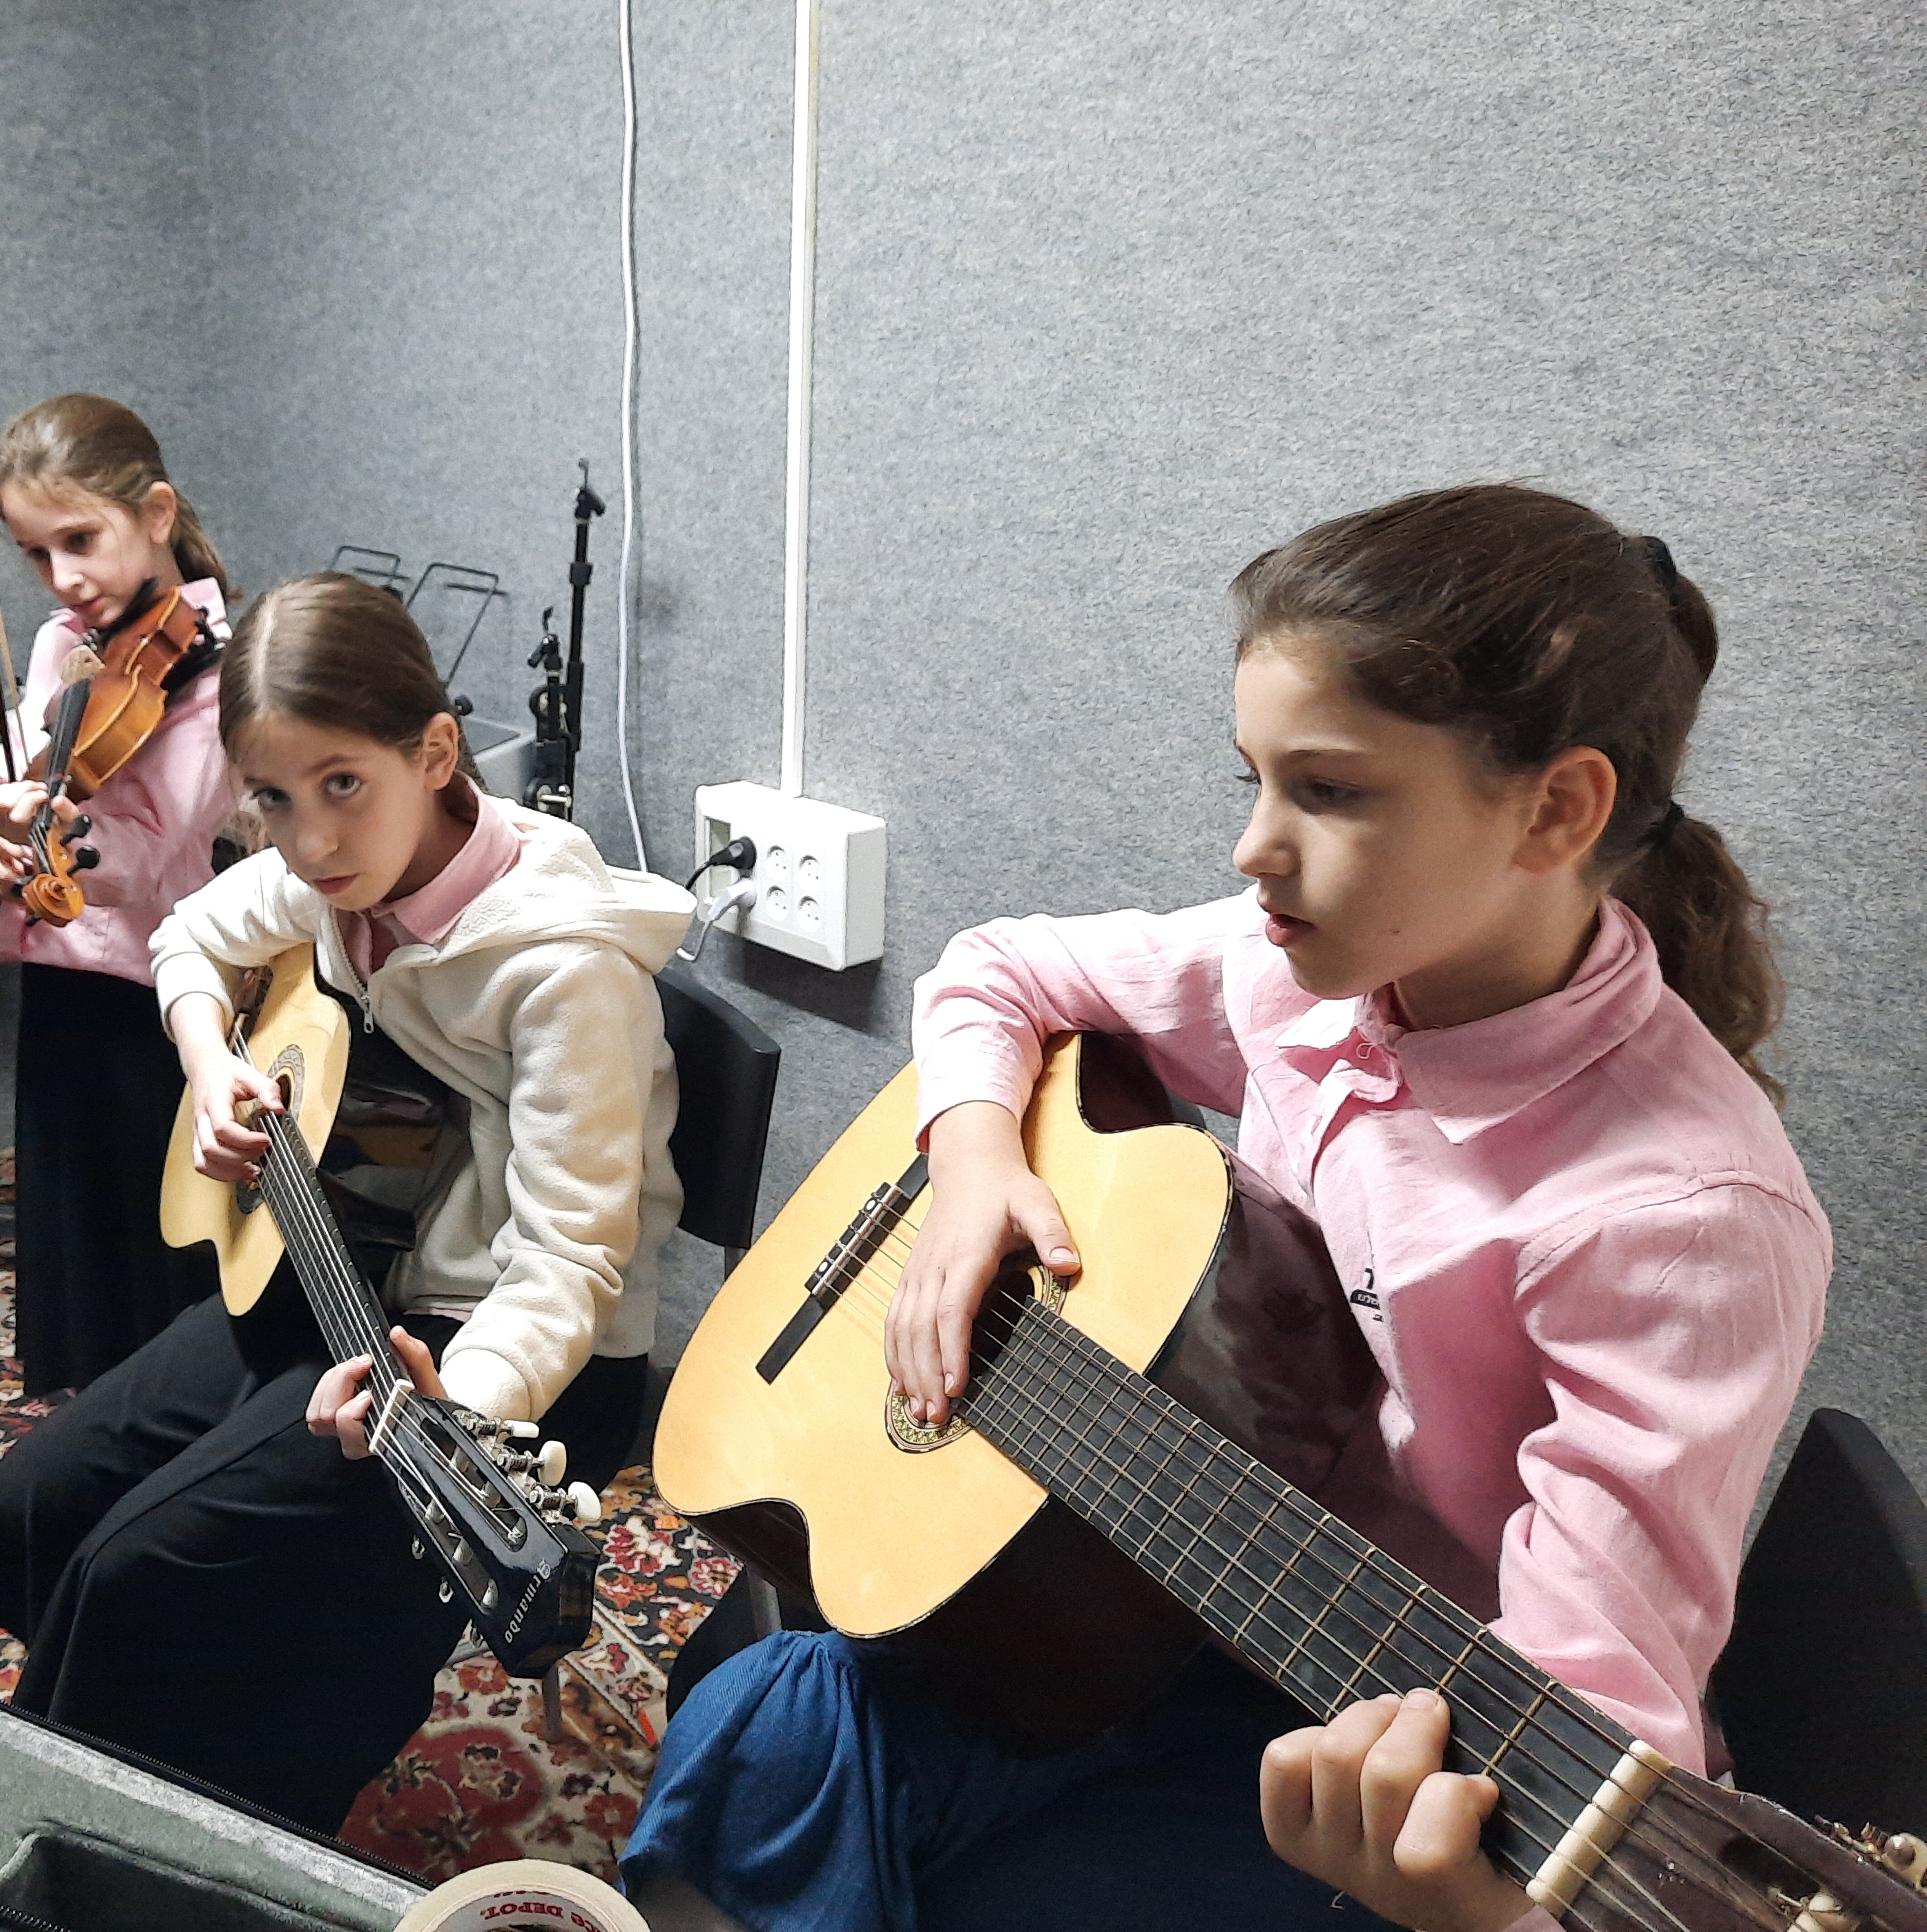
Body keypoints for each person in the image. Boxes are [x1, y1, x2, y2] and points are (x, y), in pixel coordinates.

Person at [623, 485, 1830, 1932]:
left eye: (1329, 791)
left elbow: (1592, 1722)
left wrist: (1463, 1897)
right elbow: (995, 970)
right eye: (1251, 778)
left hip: (1365, 1717)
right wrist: (973, 1168)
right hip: (1152, 1591)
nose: (1254, 848)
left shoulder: (1681, 1222)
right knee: (765, 1729)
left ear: (1556, 809)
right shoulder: (1300, 973)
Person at [0, 571, 695, 1831]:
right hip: (345, 1260)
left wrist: (457, 1404)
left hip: (502, 1350)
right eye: (274, 800)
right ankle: (98, 1767)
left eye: (345, 784)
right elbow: (187, 937)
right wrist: (210, 1063)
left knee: (144, 1569)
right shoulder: (338, 883)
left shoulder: (566, 973)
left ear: (435, 753)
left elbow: (571, 1259)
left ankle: (168, 1832)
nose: (312, 844)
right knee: (43, 1488)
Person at [0, 393, 236, 1398]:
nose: (64, 578)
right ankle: (89, 1408)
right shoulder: (59, 644)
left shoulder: (215, 675)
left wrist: (54, 836)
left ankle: (164, 1410)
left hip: (154, 994)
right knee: (73, 1217)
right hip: (59, 976)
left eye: (81, 541)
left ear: (156, 514)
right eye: (37, 554)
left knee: (154, 1233)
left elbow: (149, 860)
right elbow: (14, 781)